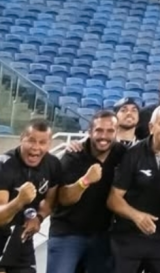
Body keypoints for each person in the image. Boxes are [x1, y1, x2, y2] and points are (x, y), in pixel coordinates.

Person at [108, 105, 160, 273]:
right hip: (129, 238)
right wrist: (136, 216)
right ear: (151, 127)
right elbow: (113, 199)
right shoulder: (133, 154)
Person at [0, 119, 62, 273]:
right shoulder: (2, 167)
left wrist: (38, 218)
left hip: (20, 235)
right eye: (31, 141)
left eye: (42, 142)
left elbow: (50, 200)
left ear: (49, 144)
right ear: (21, 139)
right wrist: (19, 201)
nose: (36, 148)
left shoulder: (52, 165)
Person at [48, 110, 127, 273]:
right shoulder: (74, 155)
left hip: (101, 235)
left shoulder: (122, 154)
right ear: (90, 131)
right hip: (68, 233)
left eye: (110, 131)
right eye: (99, 130)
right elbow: (63, 198)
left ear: (117, 132)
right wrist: (85, 181)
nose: (104, 136)